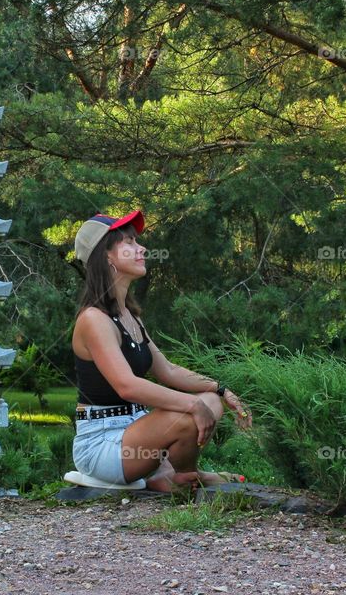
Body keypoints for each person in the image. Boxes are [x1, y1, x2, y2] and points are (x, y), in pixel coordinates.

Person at [70, 210, 252, 491]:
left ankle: (169, 475)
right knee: (190, 412)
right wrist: (191, 404)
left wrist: (219, 389)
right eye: (129, 242)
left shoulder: (130, 316)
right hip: (103, 443)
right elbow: (127, 386)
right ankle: (185, 477)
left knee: (210, 402)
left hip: (138, 429)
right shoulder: (94, 319)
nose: (141, 248)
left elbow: (167, 370)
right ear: (105, 256)